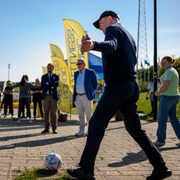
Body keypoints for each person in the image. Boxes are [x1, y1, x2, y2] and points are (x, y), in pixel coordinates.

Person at [67, 10, 171, 180]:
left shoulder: (113, 30)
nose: (101, 29)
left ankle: (86, 169)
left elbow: (111, 45)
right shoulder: (129, 35)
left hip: (118, 86)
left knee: (96, 124)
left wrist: (93, 45)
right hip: (131, 85)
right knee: (134, 128)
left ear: (109, 19)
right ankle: (160, 167)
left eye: (101, 24)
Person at [154, 56, 180, 147]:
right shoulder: (174, 71)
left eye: (164, 63)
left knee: (161, 119)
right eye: (161, 63)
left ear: (170, 62)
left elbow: (165, 86)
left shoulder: (169, 72)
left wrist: (158, 92)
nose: (162, 65)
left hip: (167, 97)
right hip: (174, 97)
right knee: (174, 119)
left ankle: (160, 140)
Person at [73, 58, 98, 136]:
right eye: (77, 64)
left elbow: (95, 84)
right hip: (78, 96)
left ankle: (90, 130)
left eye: (79, 64)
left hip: (87, 96)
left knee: (89, 114)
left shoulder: (90, 72)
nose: (78, 65)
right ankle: (81, 130)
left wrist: (90, 91)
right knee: (80, 114)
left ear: (84, 64)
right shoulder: (76, 73)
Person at [41, 63, 59, 134]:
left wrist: (48, 83)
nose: (49, 69)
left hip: (53, 96)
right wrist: (51, 84)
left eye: (50, 68)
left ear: (53, 68)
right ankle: (46, 128)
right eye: (48, 68)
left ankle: (54, 129)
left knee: (54, 113)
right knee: (46, 113)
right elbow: (42, 85)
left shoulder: (56, 76)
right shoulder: (44, 76)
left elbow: (56, 84)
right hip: (46, 96)